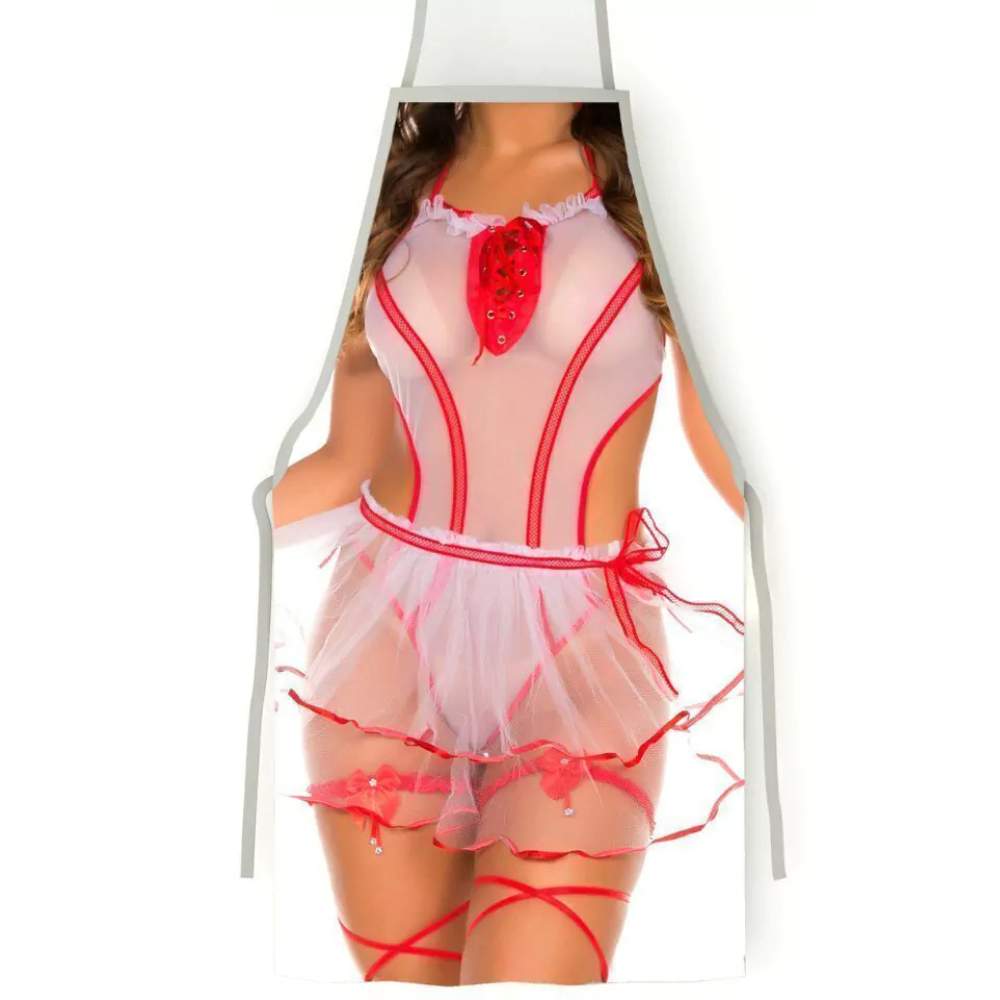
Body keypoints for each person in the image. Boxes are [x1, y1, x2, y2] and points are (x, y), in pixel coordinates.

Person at [271, 101, 743, 985]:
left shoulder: (665, 189)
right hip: (385, 638)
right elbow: (346, 459)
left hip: (580, 646)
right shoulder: (389, 187)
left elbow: (735, 450)